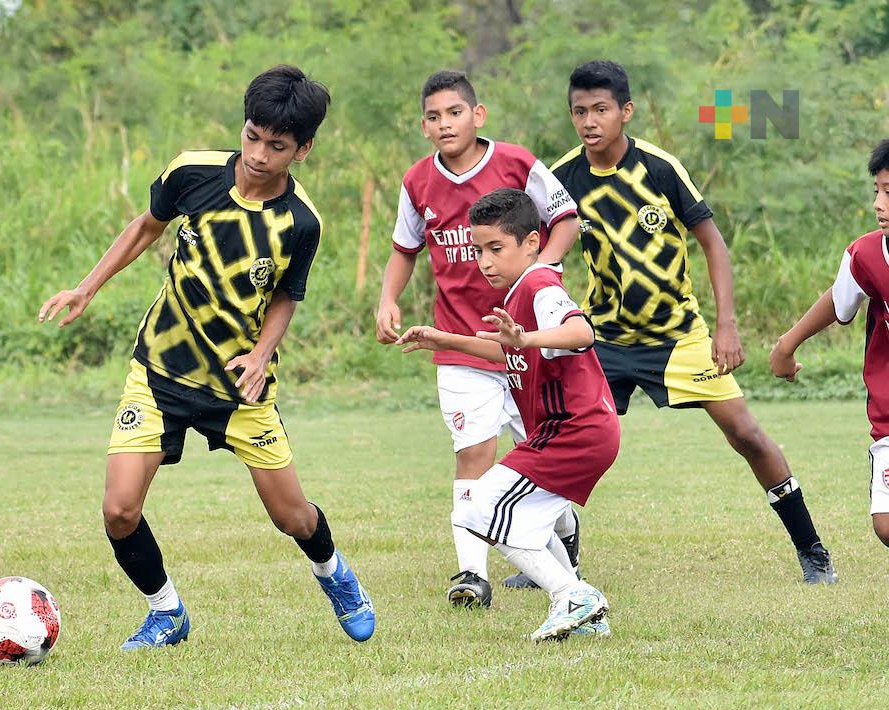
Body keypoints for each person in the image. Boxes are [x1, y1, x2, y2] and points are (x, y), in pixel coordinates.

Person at [38, 65, 375, 648]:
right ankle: (165, 612)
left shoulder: (301, 221)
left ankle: (335, 574)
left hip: (236, 386)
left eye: (277, 146)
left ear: (304, 149)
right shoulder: (191, 171)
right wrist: (87, 286)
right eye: (252, 136)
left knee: (292, 518)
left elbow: (286, 298)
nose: (259, 155)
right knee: (118, 510)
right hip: (161, 369)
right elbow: (146, 227)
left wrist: (263, 354)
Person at [540, 59, 836, 584]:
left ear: (625, 112)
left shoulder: (658, 167)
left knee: (746, 435)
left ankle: (812, 550)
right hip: (603, 338)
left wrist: (727, 324)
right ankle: (556, 557)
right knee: (560, 438)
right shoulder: (561, 178)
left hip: (678, 336)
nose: (589, 121)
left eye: (601, 110)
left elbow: (712, 245)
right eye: (579, 111)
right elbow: (544, 256)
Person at [376, 70, 582, 608]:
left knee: (536, 451)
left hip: (523, 343)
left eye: (454, 113)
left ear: (478, 115)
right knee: (474, 452)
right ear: (422, 126)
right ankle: (473, 575)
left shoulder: (517, 163)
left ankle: (563, 532)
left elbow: (566, 219)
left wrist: (543, 269)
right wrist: (388, 299)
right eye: (433, 116)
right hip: (459, 343)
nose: (444, 124)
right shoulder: (418, 181)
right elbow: (405, 248)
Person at [398, 188, 618, 640]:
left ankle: (572, 596)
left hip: (573, 431)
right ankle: (581, 613)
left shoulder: (539, 284)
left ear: (533, 242)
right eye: (478, 250)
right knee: (513, 517)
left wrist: (526, 340)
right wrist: (445, 339)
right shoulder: (519, 293)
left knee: (477, 508)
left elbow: (581, 332)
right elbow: (506, 352)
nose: (484, 261)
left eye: (496, 248)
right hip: (570, 432)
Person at [770, 139, 889, 546]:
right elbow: (839, 299)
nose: (878, 203)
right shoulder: (869, 255)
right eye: (877, 190)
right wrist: (787, 345)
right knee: (886, 525)